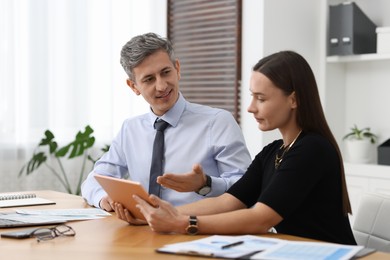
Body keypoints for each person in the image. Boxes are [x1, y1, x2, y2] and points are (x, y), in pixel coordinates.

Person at [127, 50, 357, 245]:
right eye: (251, 97)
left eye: (261, 98)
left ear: (293, 100)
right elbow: (227, 202)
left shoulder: (312, 149)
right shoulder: (273, 151)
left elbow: (260, 218)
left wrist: (182, 223)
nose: (250, 108)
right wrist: (160, 213)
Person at [81, 32, 251, 214]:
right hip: (145, 232)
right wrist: (104, 199)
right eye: (149, 79)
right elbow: (95, 180)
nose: (162, 86)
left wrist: (206, 184)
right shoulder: (130, 129)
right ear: (133, 86)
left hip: (199, 230)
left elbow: (247, 187)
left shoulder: (217, 122)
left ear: (177, 69)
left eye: (165, 72)